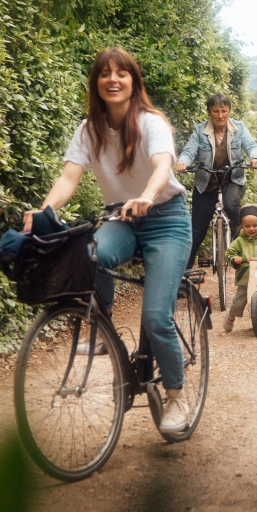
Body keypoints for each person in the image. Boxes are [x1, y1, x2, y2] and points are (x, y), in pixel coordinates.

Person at [23, 47, 193, 434]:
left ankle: (176, 397)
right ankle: (103, 328)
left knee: (156, 316)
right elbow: (69, 177)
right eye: (104, 74)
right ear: (96, 83)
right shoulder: (89, 130)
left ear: (133, 82)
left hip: (166, 218)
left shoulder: (151, 122)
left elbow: (162, 166)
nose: (112, 80)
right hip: (122, 218)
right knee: (88, 254)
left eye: (121, 73)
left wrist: (147, 196)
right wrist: (44, 210)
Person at [174, 94, 257, 268]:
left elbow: (251, 146)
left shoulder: (239, 128)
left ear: (229, 111)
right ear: (209, 112)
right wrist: (183, 162)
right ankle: (183, 275)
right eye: (216, 111)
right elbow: (189, 151)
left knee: (231, 205)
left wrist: (255, 158)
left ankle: (243, 256)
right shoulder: (200, 131)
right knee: (196, 232)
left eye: (224, 111)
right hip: (206, 183)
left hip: (232, 179)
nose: (220, 115)